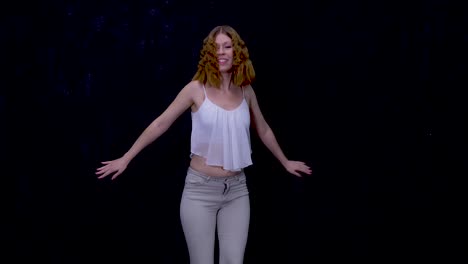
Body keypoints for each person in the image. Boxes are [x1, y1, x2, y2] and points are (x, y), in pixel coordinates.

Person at [95, 25, 312, 264]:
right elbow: (161, 124)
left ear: (237, 51)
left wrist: (285, 161)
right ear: (208, 54)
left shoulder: (246, 91)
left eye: (227, 46)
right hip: (200, 191)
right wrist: (126, 157)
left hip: (237, 191)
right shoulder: (195, 89)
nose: (221, 52)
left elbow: (264, 129)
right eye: (215, 48)